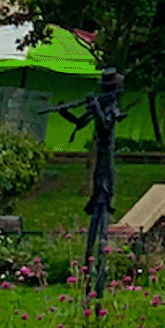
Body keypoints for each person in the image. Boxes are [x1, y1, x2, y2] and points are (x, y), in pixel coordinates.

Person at [51, 67, 125, 298]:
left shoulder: (112, 108)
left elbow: (106, 127)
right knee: (94, 210)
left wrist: (97, 108)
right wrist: (65, 113)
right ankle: (87, 273)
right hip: (99, 168)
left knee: (102, 214)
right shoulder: (102, 105)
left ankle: (99, 273)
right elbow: (81, 122)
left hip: (106, 166)